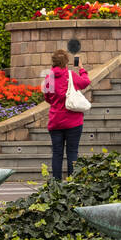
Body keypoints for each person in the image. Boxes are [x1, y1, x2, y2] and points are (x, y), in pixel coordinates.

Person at [42, 50, 91, 181]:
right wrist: (81, 68)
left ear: (53, 62)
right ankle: (72, 183)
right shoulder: (71, 75)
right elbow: (86, 82)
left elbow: (47, 98)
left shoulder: (49, 78)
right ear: (67, 62)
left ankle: (56, 183)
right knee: (72, 153)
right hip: (73, 122)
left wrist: (57, 103)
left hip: (55, 121)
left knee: (57, 154)